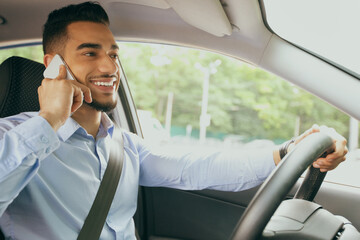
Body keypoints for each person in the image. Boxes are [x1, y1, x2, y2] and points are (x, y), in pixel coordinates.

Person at [0, 2, 348, 240]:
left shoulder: (123, 145)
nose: (109, 67)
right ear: (53, 63)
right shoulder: (13, 136)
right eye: (90, 53)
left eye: (113, 54)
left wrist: (288, 151)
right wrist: (49, 120)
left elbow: (196, 167)